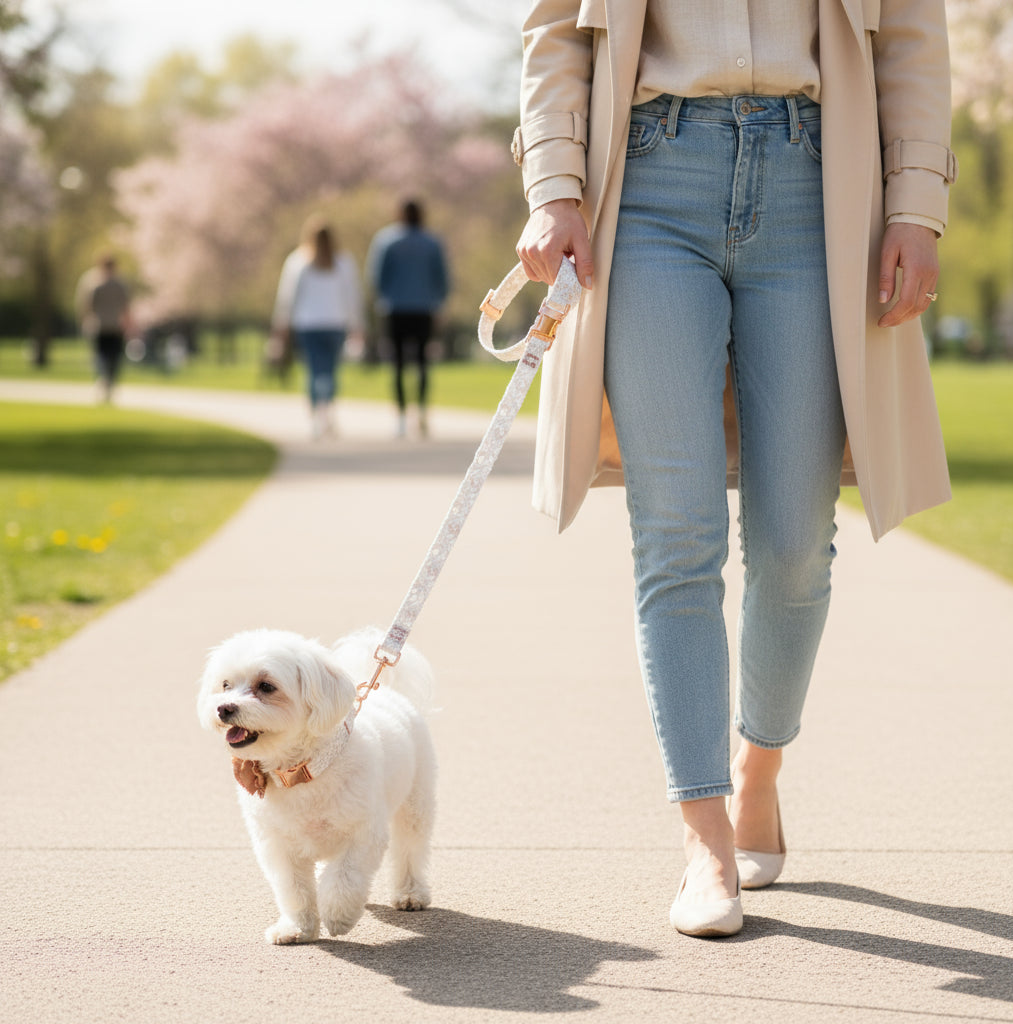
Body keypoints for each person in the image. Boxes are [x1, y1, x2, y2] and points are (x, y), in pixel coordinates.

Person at [514, 0, 956, 937]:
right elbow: (554, 29)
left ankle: (761, 764)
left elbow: (914, 32)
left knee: (796, 544)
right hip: (647, 183)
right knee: (676, 532)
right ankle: (704, 836)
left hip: (818, 185)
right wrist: (554, 186)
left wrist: (916, 202)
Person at [273, 216, 364, 439]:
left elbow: (287, 298)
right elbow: (353, 297)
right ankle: (328, 413)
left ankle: (316, 415)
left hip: (308, 324)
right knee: (330, 371)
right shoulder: (343, 263)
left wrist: (282, 325)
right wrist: (357, 324)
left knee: (314, 371)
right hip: (334, 323)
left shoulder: (297, 262)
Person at [367, 200, 449, 438]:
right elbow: (442, 278)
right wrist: (438, 302)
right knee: (423, 362)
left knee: (398, 364)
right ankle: (422, 412)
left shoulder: (386, 241)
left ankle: (402, 416)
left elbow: (376, 277)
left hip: (395, 309)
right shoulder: (432, 242)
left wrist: (383, 299)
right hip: (424, 308)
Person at [74, 254, 131, 403]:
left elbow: (86, 306)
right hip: (110, 327)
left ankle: (106, 382)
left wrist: (85, 321)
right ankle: (108, 382)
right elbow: (126, 308)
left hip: (104, 326)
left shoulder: (95, 283)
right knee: (110, 357)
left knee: (105, 357)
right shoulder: (118, 284)